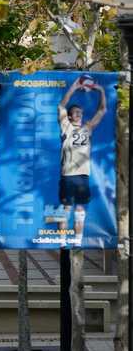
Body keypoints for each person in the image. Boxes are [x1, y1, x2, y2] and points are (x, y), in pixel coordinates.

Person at [57, 75, 106, 246]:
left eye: (81, 112)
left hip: (83, 175)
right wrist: (74, 86)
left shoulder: (87, 129)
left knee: (79, 210)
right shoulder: (66, 127)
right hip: (68, 174)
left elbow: (102, 110)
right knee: (66, 209)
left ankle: (77, 242)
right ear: (70, 116)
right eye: (76, 112)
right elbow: (62, 105)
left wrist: (101, 90)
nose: (79, 114)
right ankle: (63, 242)